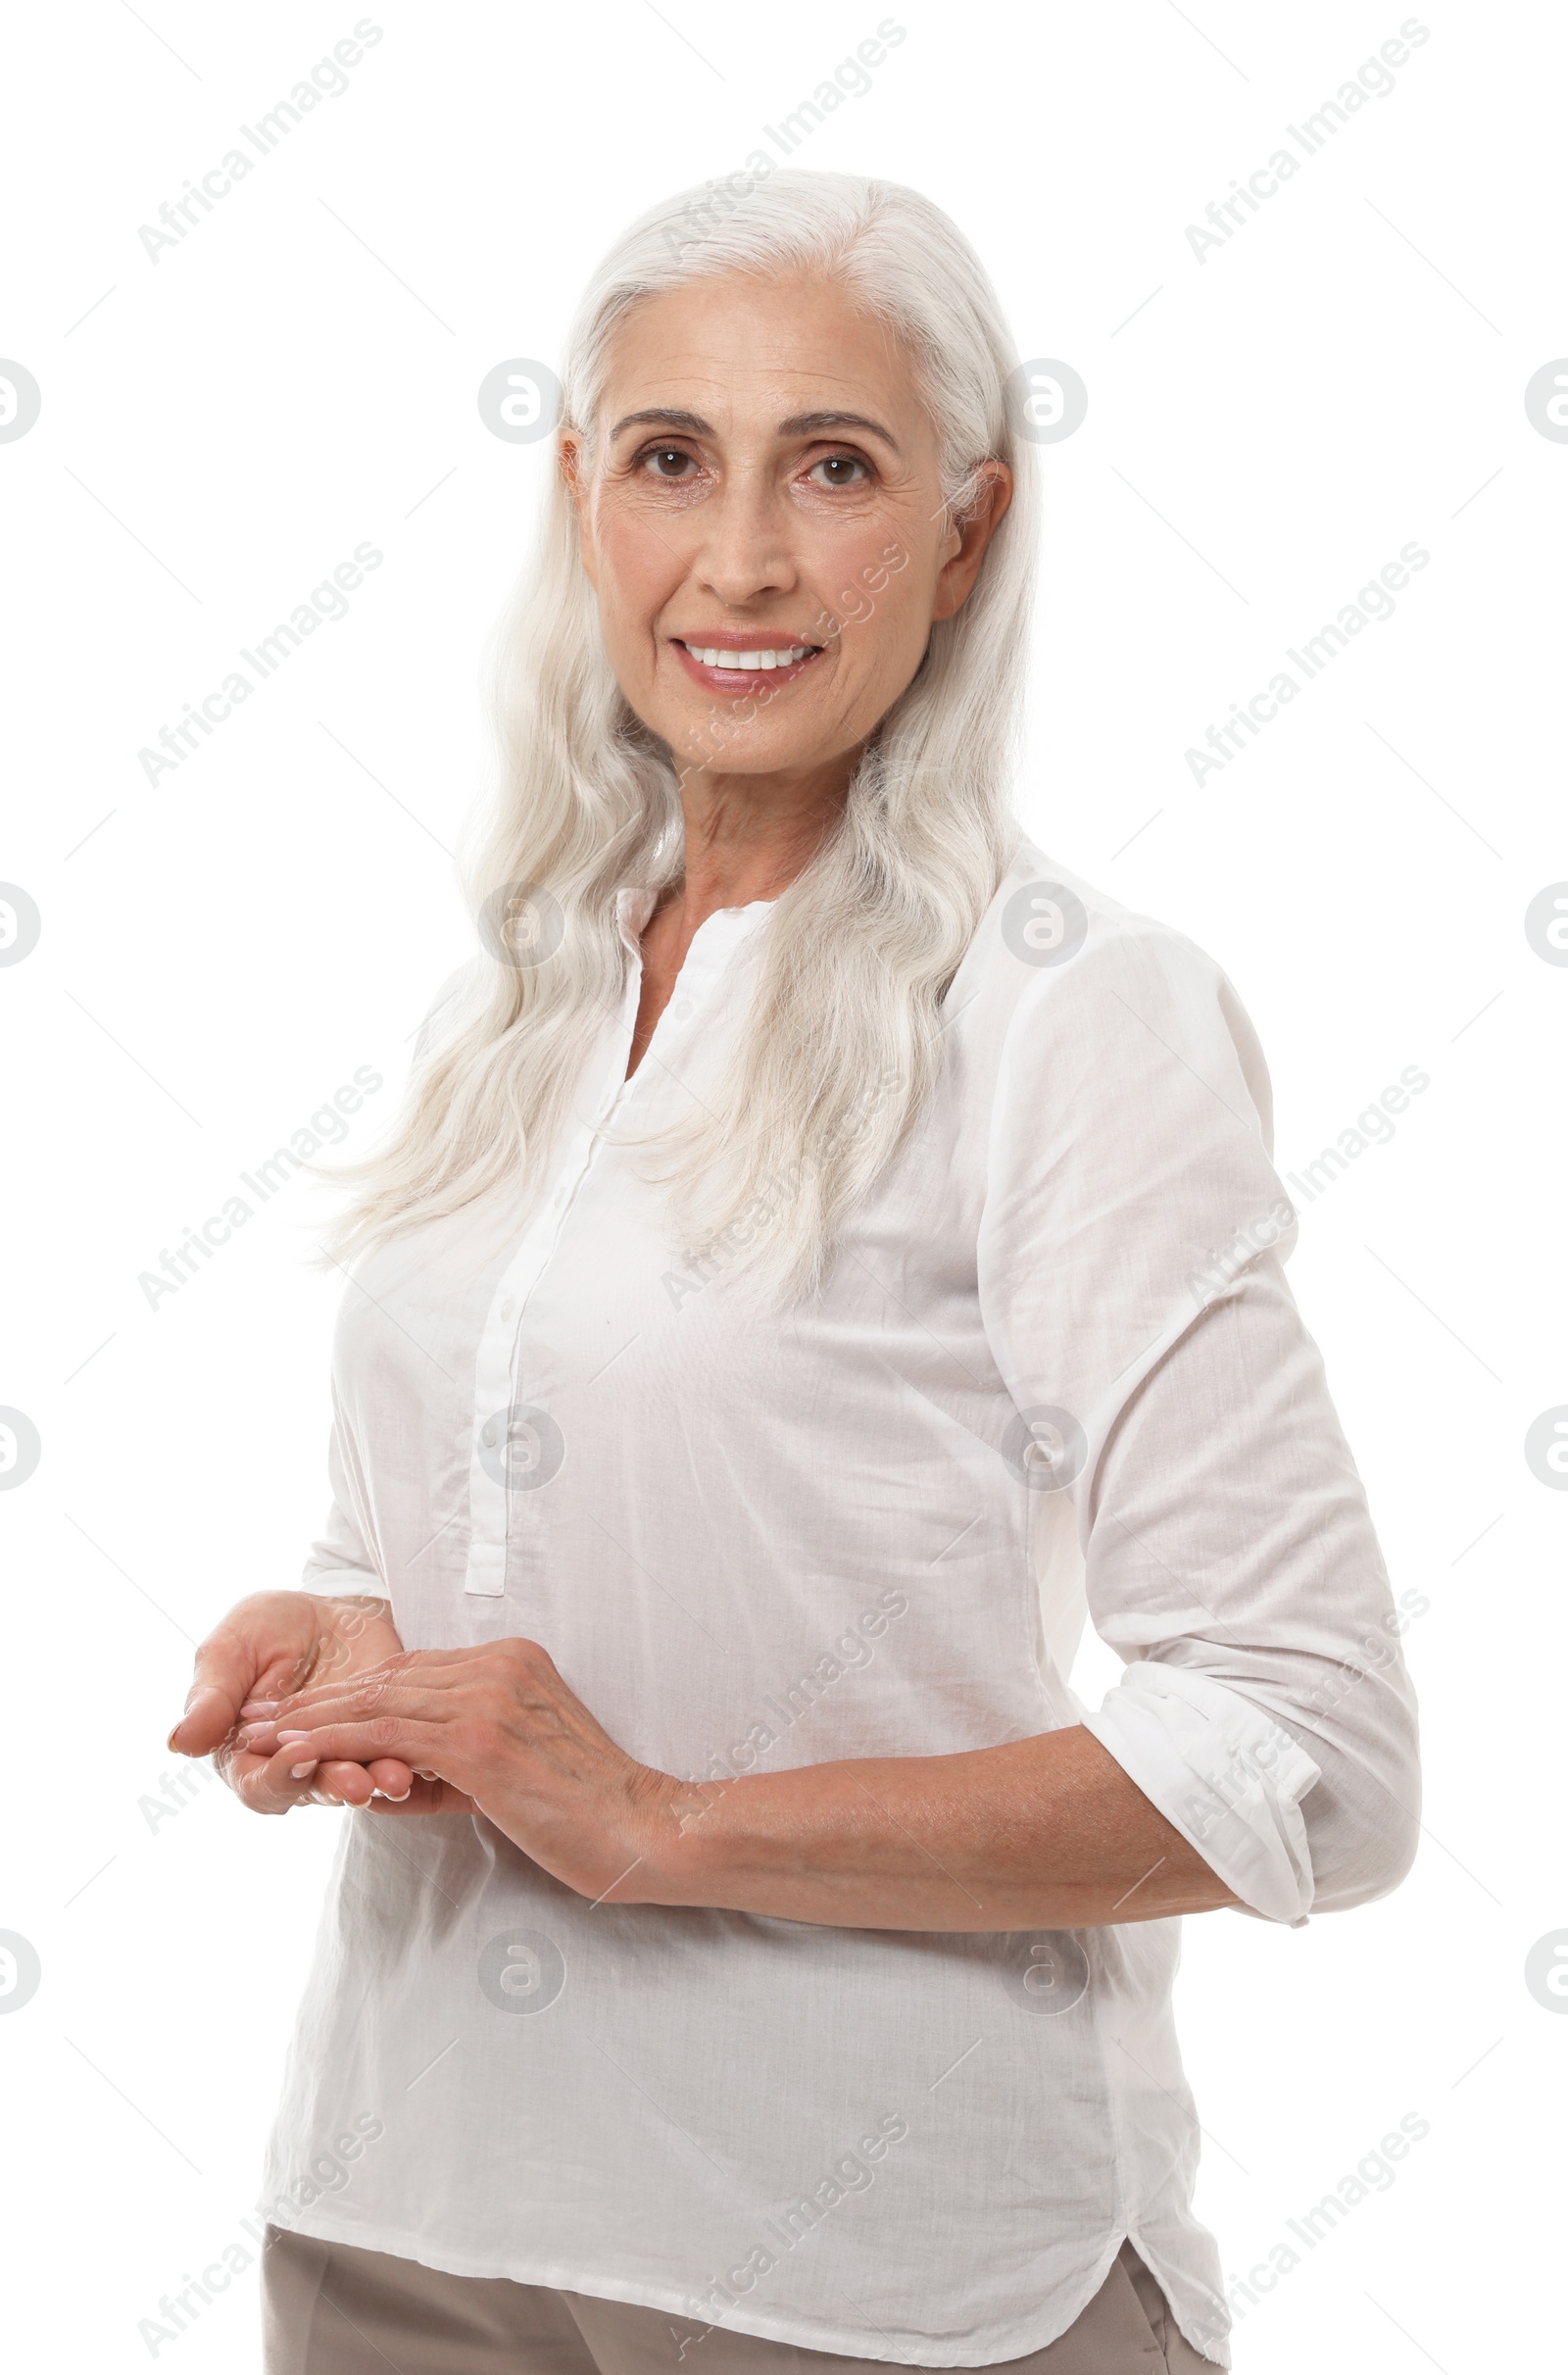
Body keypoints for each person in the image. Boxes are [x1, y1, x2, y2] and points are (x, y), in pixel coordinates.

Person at [168, 172, 1420, 2373]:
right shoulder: (534, 987)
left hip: (867, 2277)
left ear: (961, 530)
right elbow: (491, 1532)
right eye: (669, 460)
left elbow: (1305, 1747)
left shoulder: (1065, 1011)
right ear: (580, 500)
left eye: (827, 467)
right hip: (400, 2220)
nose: (735, 561)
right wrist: (352, 1646)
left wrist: (657, 1827)